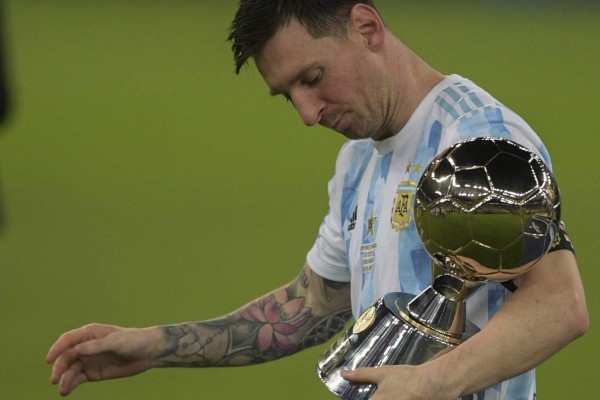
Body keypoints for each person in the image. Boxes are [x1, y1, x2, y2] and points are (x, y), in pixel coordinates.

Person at [46, 1, 588, 399]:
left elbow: (559, 305)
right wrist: (155, 346)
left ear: (366, 27)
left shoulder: (478, 140)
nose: (307, 113)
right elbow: (312, 307)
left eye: (313, 78)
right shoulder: (358, 160)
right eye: (289, 96)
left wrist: (428, 384)